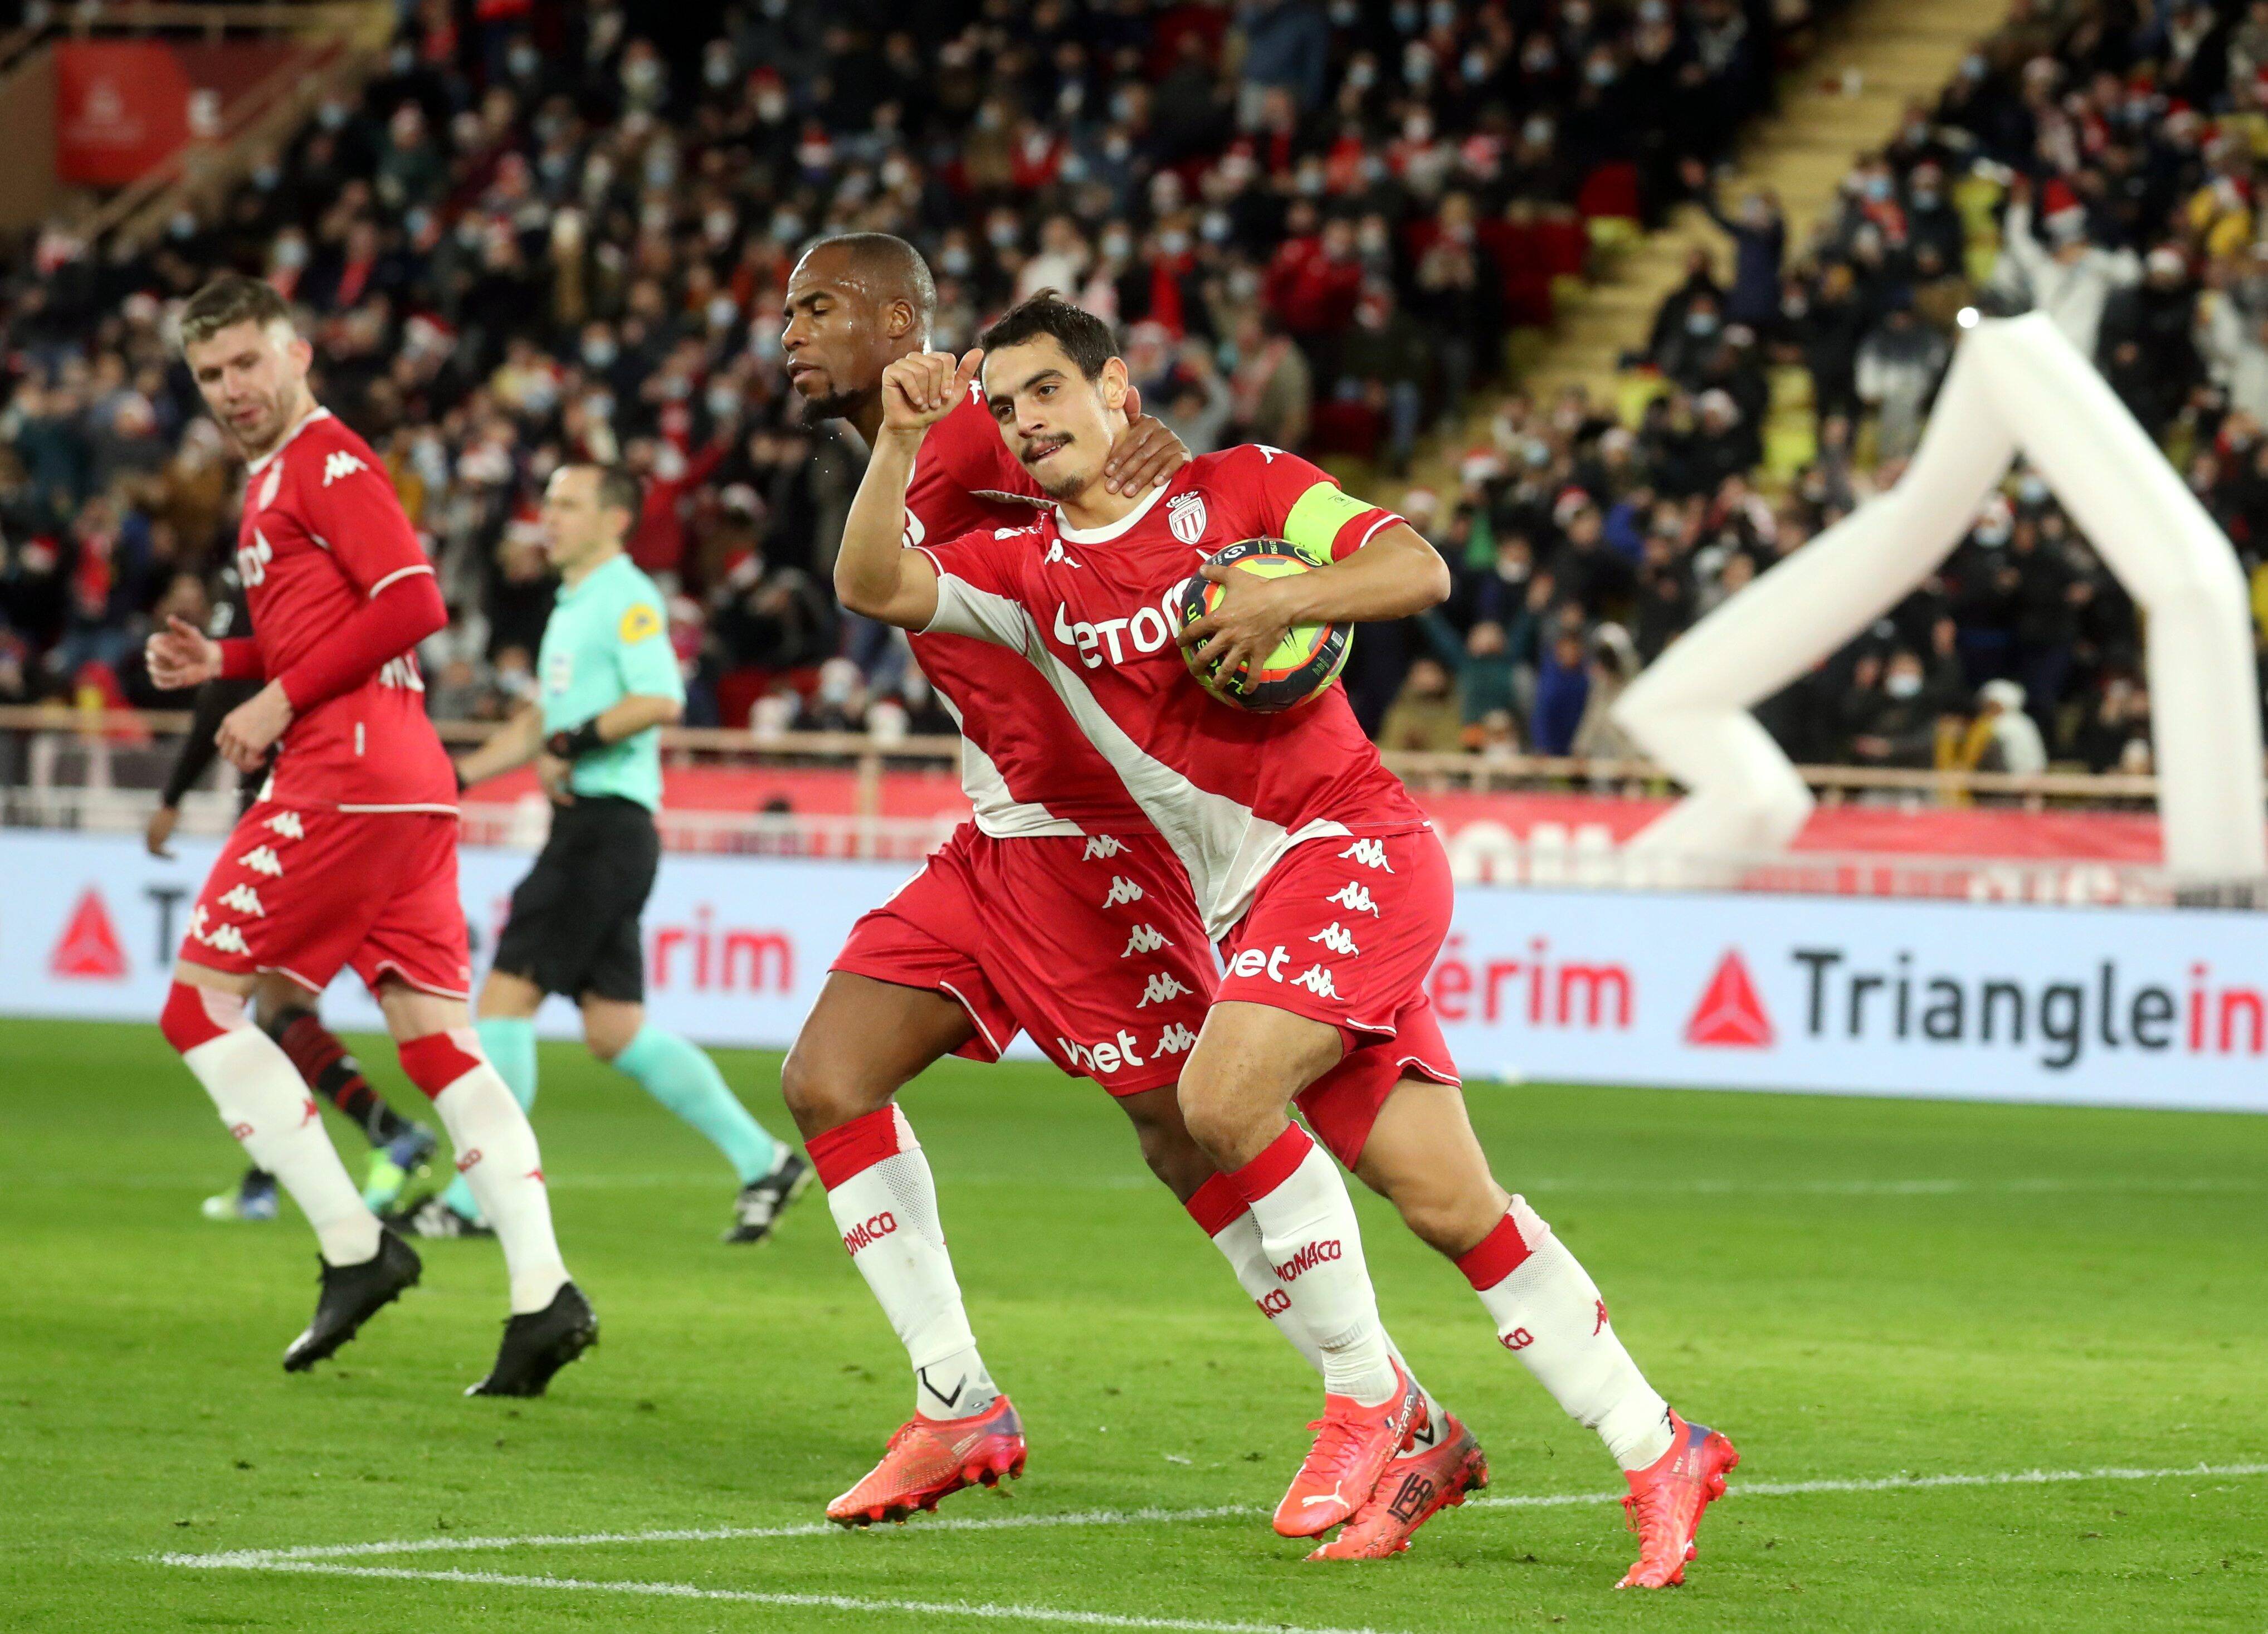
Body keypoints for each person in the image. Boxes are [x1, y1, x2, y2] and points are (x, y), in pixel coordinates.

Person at [833, 293, 1737, 1585]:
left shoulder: (1244, 488)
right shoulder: (1025, 576)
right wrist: (893, 442)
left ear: (1116, 390)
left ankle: (1367, 1396)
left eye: (1049, 390)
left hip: (1354, 845)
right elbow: (871, 584)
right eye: (1007, 406)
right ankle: (1659, 1444)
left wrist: (1285, 601)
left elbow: (1415, 567)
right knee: (1447, 1201)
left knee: (1218, 1096)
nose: (1027, 422)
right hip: (1251, 907)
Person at [778, 237, 1483, 1553]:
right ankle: (956, 1399)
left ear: (899, 322)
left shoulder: (976, 425)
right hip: (995, 838)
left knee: (1190, 1125)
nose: (790, 335)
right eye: (787, 314)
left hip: (1095, 842)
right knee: (828, 1077)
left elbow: (1126, 475)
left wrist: (1155, 449)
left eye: (816, 308)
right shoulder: (895, 454)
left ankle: (1388, 1400)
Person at [142, 274, 592, 1395]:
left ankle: (356, 1246)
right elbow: (336, 626)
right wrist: (225, 662)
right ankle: (543, 1292)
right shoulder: (272, 480)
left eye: (248, 361)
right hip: (404, 782)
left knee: (199, 1006)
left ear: (297, 354)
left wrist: (276, 699)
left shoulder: (327, 458)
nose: (232, 387)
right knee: (439, 1041)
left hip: (342, 772)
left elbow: (413, 602)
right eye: (210, 373)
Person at [416, 461, 808, 1245]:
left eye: (568, 504)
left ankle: (475, 1199)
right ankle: (763, 1161)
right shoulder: (575, 602)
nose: (549, 516)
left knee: (503, 1005)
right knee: (615, 1029)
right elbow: (542, 721)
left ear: (615, 520)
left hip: (601, 831)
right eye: (548, 502)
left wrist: (573, 741)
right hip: (602, 834)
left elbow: (659, 697)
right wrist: (457, 777)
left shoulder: (625, 596)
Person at [148, 559, 438, 1222]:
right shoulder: (345, 571)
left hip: (294, 799)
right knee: (283, 1002)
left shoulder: (266, 561)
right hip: (358, 793)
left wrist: (173, 795)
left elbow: (224, 695)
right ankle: (374, 1136)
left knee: (223, 1002)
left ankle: (305, 1166)